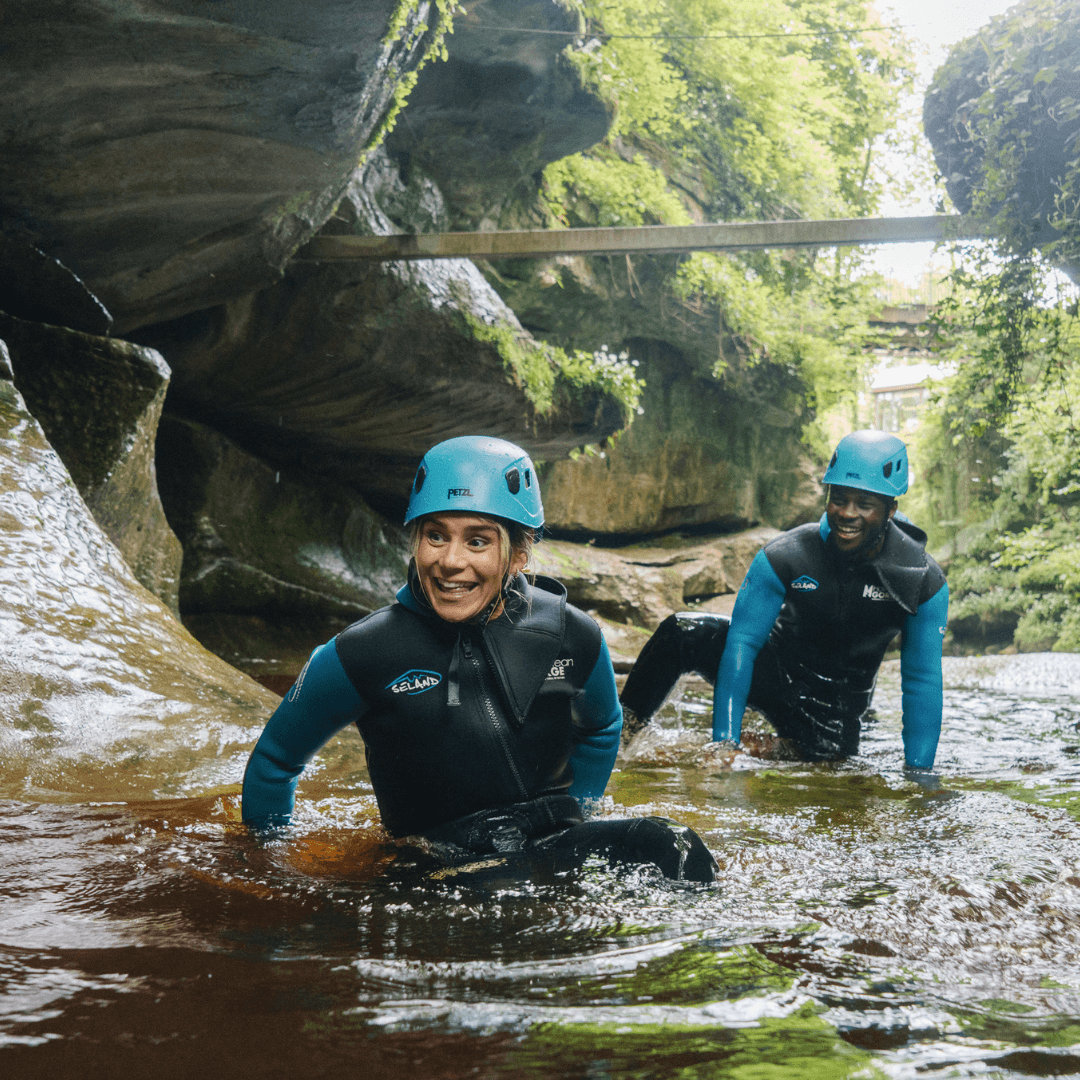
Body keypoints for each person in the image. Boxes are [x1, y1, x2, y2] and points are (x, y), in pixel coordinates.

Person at [242, 435, 716, 884]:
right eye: (435, 536)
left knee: (674, 845)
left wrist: (584, 811)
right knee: (503, 886)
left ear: (518, 555)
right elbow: (275, 762)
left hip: (552, 845)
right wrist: (270, 868)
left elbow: (602, 727)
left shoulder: (570, 634)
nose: (450, 561)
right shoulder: (363, 651)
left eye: (477, 541)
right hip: (437, 868)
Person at [619, 430, 949, 770]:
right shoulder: (787, 555)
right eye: (838, 499)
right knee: (682, 631)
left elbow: (921, 681)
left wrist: (919, 776)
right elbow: (743, 644)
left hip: (831, 712)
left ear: (891, 510)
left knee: (827, 768)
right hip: (775, 672)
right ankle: (617, 734)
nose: (848, 513)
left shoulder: (922, 581)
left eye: (864, 504)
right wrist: (724, 746)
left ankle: (776, 746)